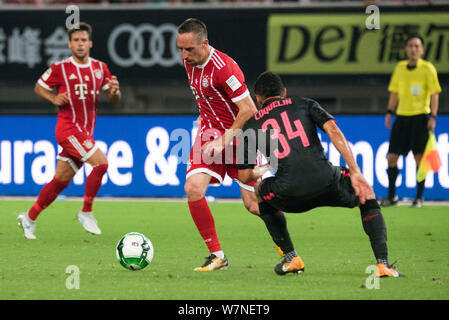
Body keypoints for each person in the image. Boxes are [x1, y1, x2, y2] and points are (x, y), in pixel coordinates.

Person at [237, 71, 403, 277]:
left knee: (258, 190)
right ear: (284, 92)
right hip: (326, 181)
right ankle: (383, 264)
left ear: (258, 98)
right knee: (365, 191)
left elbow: (244, 176)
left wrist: (263, 169)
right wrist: (355, 171)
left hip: (289, 193)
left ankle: (291, 258)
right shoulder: (305, 104)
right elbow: (333, 130)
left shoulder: (252, 124)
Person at [177, 18, 281, 271]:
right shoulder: (189, 62)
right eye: (180, 48)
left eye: (189, 49)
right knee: (193, 189)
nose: (184, 54)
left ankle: (287, 249)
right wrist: (205, 115)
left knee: (254, 205)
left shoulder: (225, 68)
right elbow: (205, 94)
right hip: (208, 135)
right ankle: (217, 256)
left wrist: (224, 139)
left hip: (239, 138)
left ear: (205, 43)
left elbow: (249, 109)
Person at [17, 22, 121, 239]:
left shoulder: (100, 68)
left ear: (90, 43)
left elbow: (114, 99)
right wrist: (54, 98)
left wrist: (115, 92)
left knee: (60, 181)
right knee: (102, 163)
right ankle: (86, 212)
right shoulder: (60, 68)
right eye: (76, 40)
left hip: (85, 133)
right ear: (69, 43)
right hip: (68, 129)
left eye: (84, 40)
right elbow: (39, 86)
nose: (80, 44)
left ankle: (29, 217)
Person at [382, 33, 441, 208]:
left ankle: (419, 198)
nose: (413, 49)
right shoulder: (400, 68)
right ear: (406, 49)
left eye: (417, 46)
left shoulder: (428, 68)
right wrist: (389, 112)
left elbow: (434, 94)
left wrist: (433, 116)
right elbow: (394, 92)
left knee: (419, 159)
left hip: (420, 118)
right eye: (410, 46)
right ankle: (392, 196)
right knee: (391, 157)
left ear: (422, 50)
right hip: (402, 117)